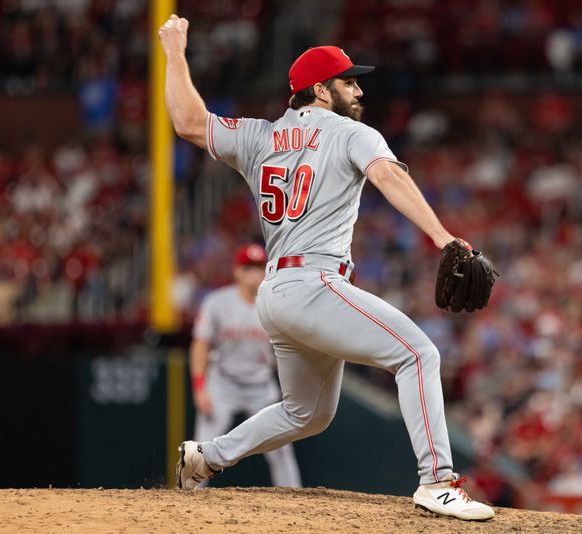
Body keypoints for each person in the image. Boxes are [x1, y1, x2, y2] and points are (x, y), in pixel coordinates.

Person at [159, 14, 495, 521]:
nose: (358, 90)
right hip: (315, 281)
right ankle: (438, 483)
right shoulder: (348, 132)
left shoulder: (260, 137)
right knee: (418, 355)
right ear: (320, 90)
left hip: (275, 293)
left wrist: (174, 53)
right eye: (348, 81)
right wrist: (443, 236)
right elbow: (387, 175)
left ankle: (206, 457)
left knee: (307, 414)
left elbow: (186, 121)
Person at [190, 243, 302, 488]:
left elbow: (290, 352)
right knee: (201, 448)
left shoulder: (277, 304)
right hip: (223, 384)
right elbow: (200, 345)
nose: (254, 274)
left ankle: (297, 507)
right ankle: (182, 506)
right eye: (248, 267)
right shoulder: (217, 302)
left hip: (261, 387)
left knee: (281, 451)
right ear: (237, 271)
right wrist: (200, 387)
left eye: (258, 267)